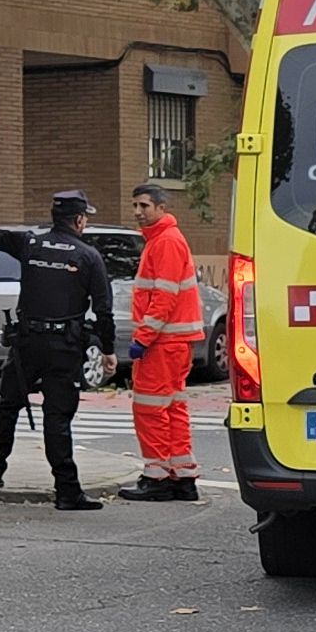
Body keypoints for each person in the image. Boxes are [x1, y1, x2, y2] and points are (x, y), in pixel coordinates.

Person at [0, 190, 113, 510]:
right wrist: (108, 351)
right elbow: (103, 310)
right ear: (80, 219)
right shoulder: (88, 256)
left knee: (7, 409)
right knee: (57, 419)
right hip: (63, 349)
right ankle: (67, 491)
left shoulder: (31, 244)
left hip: (26, 347)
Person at [118, 178, 205, 500]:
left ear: (162, 208)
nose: (138, 212)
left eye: (144, 206)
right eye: (135, 205)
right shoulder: (164, 239)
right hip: (174, 342)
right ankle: (182, 477)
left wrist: (143, 337)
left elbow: (164, 297)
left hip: (163, 343)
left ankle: (157, 478)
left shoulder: (165, 241)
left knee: (150, 409)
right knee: (172, 408)